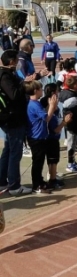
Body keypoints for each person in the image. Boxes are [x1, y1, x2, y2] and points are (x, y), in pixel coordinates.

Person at [0, 49, 32, 195]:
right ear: (12, 61)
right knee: (15, 152)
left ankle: (2, 181)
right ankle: (14, 186)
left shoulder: (8, 74)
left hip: (11, 117)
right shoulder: (4, 76)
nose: (19, 62)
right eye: (17, 60)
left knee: (8, 149)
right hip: (12, 118)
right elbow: (13, 94)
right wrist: (25, 84)